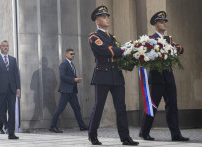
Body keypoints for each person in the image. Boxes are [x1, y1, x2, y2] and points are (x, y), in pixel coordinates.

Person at [88, 6, 139, 146]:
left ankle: (125, 137)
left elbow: (117, 53)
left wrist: (132, 57)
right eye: (104, 17)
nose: (107, 19)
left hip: (116, 74)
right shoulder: (94, 37)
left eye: (107, 16)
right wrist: (124, 49)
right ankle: (92, 135)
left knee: (121, 107)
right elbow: (106, 51)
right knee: (99, 106)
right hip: (103, 74)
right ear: (97, 21)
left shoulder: (112, 37)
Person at [139, 11, 189, 142]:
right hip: (156, 77)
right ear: (155, 24)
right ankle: (144, 132)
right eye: (161, 21)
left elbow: (180, 48)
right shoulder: (150, 39)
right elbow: (145, 55)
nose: (165, 23)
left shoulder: (169, 40)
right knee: (153, 106)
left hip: (168, 77)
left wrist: (171, 49)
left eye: (165, 21)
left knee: (172, 105)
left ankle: (175, 134)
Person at [49, 49, 88, 133]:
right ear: (66, 55)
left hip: (72, 91)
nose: (73, 55)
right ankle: (52, 126)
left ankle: (82, 126)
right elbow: (62, 77)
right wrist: (74, 79)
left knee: (77, 108)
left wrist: (75, 80)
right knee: (60, 108)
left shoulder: (71, 64)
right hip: (66, 91)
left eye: (74, 54)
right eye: (71, 54)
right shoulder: (64, 64)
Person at [0, 40, 21, 139]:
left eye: (7, 46)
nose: (5, 47)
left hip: (12, 89)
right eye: (3, 46)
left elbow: (16, 75)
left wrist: (18, 88)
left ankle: (11, 133)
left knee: (12, 111)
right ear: (0, 47)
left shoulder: (13, 59)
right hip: (0, 89)